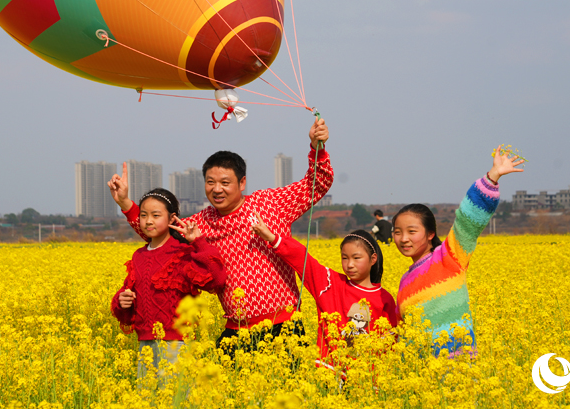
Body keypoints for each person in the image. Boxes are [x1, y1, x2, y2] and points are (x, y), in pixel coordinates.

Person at [109, 118, 333, 349]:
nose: (217, 189)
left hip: (284, 327)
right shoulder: (200, 223)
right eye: (210, 182)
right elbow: (157, 231)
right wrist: (126, 202)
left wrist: (318, 148)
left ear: (242, 182)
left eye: (225, 182)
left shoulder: (270, 203)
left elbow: (317, 184)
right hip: (236, 332)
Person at [392, 147, 524, 356]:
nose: (403, 238)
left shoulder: (449, 257)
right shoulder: (404, 281)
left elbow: (467, 221)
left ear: (430, 234)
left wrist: (492, 177)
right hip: (421, 375)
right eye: (397, 232)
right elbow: (402, 333)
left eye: (411, 231)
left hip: (458, 368)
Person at [251, 216, 398, 372]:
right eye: (344, 258)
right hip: (329, 374)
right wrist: (273, 238)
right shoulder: (330, 284)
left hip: (366, 378)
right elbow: (304, 260)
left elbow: (389, 342)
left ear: (373, 258)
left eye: (356, 258)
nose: (349, 265)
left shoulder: (384, 298)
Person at [111, 188, 226, 384]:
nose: (148, 221)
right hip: (145, 345)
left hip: (177, 345)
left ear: (172, 218)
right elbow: (127, 304)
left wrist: (199, 242)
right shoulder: (138, 256)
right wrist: (122, 300)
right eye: (144, 215)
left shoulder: (183, 253)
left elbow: (217, 280)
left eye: (156, 215)